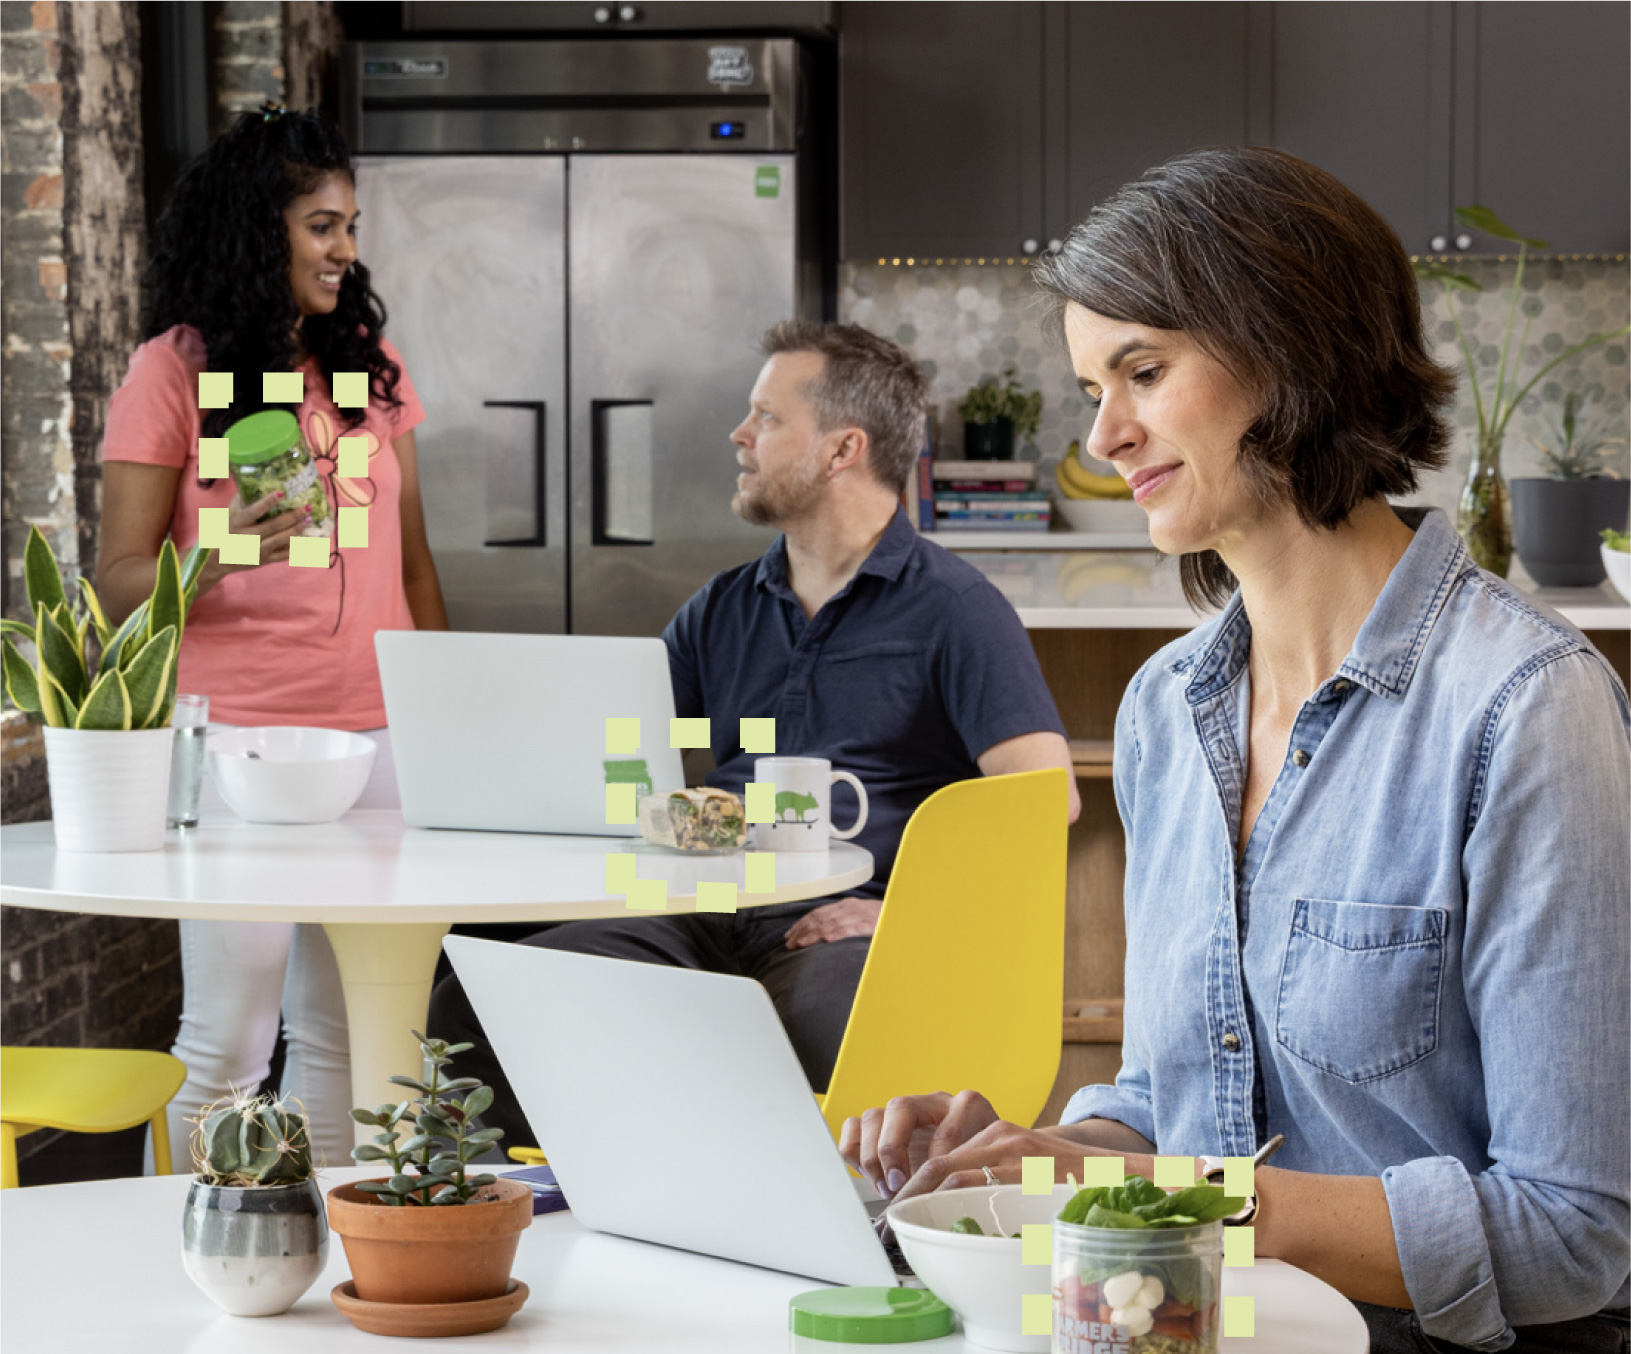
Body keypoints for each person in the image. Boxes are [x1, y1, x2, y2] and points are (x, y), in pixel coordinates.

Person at [679, 149, 1630, 1354]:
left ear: (1288, 354)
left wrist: (1151, 1197)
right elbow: (1179, 1095)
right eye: (1086, 387)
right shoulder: (1167, 708)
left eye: (1139, 371)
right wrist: (1042, 1148)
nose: (1103, 433)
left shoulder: (1522, 712)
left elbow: (1570, 1230)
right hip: (1197, 1349)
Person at [427, 322, 1079, 1146]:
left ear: (843, 449)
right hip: (701, 910)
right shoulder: (725, 606)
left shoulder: (953, 610)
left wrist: (897, 914)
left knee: (817, 1031)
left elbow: (1043, 798)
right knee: (488, 995)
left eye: (766, 418)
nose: (739, 435)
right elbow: (634, 750)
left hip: (840, 925)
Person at [98, 104, 450, 1166]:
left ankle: (341, 1266)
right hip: (238, 744)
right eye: (321, 227)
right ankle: (197, 1253)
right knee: (229, 1041)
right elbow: (116, 587)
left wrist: (445, 722)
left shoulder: (363, 366)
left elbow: (414, 563)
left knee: (349, 1034)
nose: (346, 249)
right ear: (260, 232)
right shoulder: (177, 371)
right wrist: (225, 548)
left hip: (377, 739)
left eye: (349, 226)